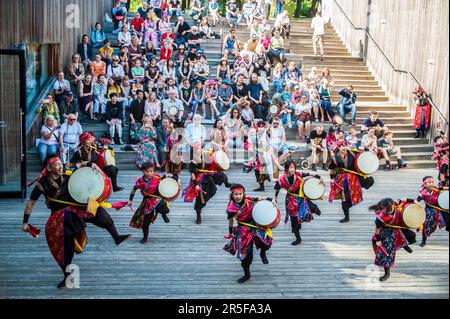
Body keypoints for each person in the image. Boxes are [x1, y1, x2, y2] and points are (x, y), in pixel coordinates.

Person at [23, 154, 131, 288]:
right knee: (65, 248)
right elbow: (31, 204)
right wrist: (25, 222)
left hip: (75, 206)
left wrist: (92, 164)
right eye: (56, 165)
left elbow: (82, 164)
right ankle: (67, 276)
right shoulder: (42, 184)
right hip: (60, 215)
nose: (60, 166)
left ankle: (116, 237)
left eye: (60, 163)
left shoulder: (67, 171)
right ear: (49, 168)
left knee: (98, 212)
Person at [223, 184, 273, 283]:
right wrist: (231, 233)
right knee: (246, 255)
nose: (238, 196)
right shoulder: (231, 208)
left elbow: (260, 198)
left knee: (266, 243)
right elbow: (231, 221)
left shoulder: (249, 199)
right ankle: (247, 274)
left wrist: (272, 200)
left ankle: (263, 252)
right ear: (232, 195)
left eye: (240, 194)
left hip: (256, 225)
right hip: (243, 229)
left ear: (243, 194)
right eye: (236, 194)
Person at [275, 160, 324, 245]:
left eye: (293, 167)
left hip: (301, 197)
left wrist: (319, 177)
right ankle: (298, 239)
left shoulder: (298, 174)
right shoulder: (282, 179)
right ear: (286, 168)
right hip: (291, 200)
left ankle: (315, 209)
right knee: (294, 221)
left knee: (311, 208)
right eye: (290, 168)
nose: (292, 169)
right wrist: (275, 198)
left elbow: (309, 174)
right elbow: (277, 188)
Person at [370, 198, 416, 281]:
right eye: (389, 208)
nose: (392, 209)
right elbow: (376, 230)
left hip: (398, 226)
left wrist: (414, 201)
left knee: (412, 236)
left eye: (392, 207)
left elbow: (403, 199)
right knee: (386, 253)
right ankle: (387, 273)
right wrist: (378, 240)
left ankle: (404, 245)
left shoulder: (393, 203)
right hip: (385, 233)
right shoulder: (380, 218)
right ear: (384, 208)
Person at [328, 141, 374, 223]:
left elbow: (363, 153)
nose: (344, 147)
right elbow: (331, 169)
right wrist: (331, 178)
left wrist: (369, 151)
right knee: (344, 198)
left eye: (345, 145)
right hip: (342, 179)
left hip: (354, 178)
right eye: (342, 146)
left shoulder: (352, 152)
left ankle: (348, 204)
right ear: (338, 147)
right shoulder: (334, 158)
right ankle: (346, 217)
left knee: (369, 182)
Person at [128, 162, 172, 243]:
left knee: (165, 208)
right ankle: (145, 237)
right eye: (147, 171)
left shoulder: (157, 177)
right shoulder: (140, 180)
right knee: (145, 222)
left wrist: (170, 177)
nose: (149, 173)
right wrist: (130, 200)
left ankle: (163, 214)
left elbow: (165, 180)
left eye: (151, 171)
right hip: (147, 202)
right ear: (143, 171)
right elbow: (134, 189)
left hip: (157, 199)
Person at [417, 176, 449, 246]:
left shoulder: (436, 188)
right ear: (425, 184)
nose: (431, 184)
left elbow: (444, 188)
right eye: (429, 182)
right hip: (429, 211)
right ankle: (423, 241)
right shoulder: (423, 193)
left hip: (439, 208)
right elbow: (416, 201)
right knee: (426, 225)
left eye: (432, 182)